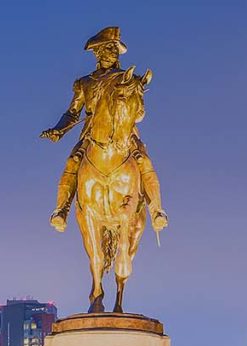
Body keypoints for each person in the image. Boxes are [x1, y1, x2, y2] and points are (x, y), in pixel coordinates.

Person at [41, 26, 168, 233]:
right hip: (92, 133)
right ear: (98, 52)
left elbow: (140, 113)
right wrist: (58, 130)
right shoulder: (85, 83)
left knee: (143, 160)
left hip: (124, 132)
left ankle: (156, 210)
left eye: (115, 49)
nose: (113, 52)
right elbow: (73, 112)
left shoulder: (128, 79)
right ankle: (61, 209)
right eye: (109, 48)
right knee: (72, 161)